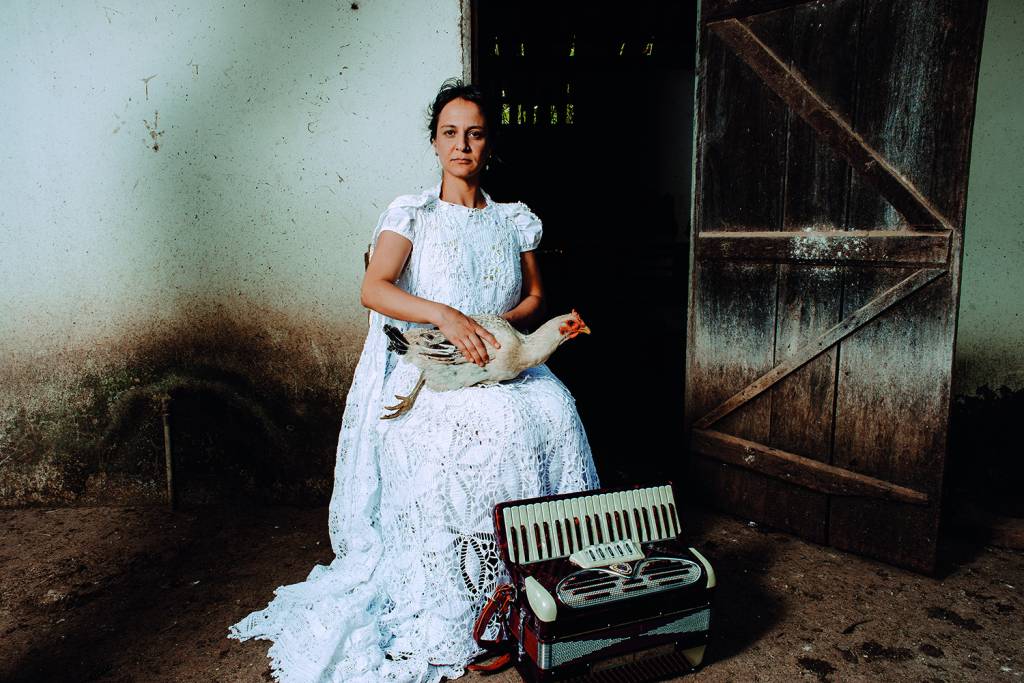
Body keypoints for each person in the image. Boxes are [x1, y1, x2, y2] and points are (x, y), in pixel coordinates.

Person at [229, 78, 600, 683]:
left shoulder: (514, 220)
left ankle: (538, 588)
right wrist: (446, 317)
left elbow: (536, 296)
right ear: (434, 142)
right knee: (487, 429)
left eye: (474, 134)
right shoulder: (413, 213)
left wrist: (495, 326)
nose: (462, 146)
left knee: (555, 411)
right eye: (450, 133)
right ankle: (466, 601)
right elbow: (374, 288)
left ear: (489, 144)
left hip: (497, 352)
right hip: (430, 361)